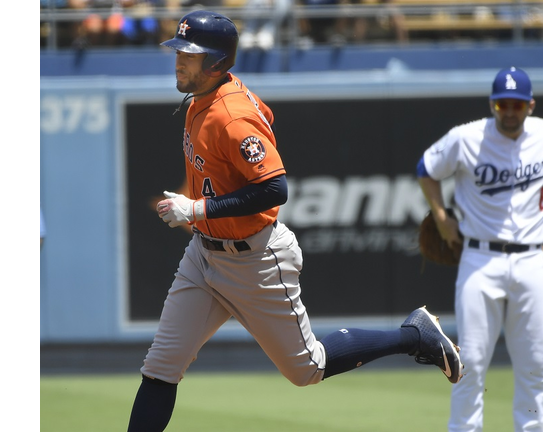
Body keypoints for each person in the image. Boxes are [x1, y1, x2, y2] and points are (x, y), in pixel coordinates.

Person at [127, 10, 463, 431]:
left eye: (189, 53)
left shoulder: (231, 116)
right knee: (161, 366)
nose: (178, 59)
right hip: (203, 256)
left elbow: (274, 189)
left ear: (216, 62)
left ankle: (415, 335)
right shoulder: (202, 100)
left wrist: (195, 209)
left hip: (256, 259)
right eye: (177, 50)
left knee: (308, 368)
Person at [416, 66, 543, 432]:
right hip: (479, 259)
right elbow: (426, 167)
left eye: (517, 104)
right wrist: (441, 215)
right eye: (502, 104)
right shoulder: (466, 138)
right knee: (468, 362)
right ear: (492, 105)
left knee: (534, 363)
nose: (509, 111)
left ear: (530, 105)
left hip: (531, 259)